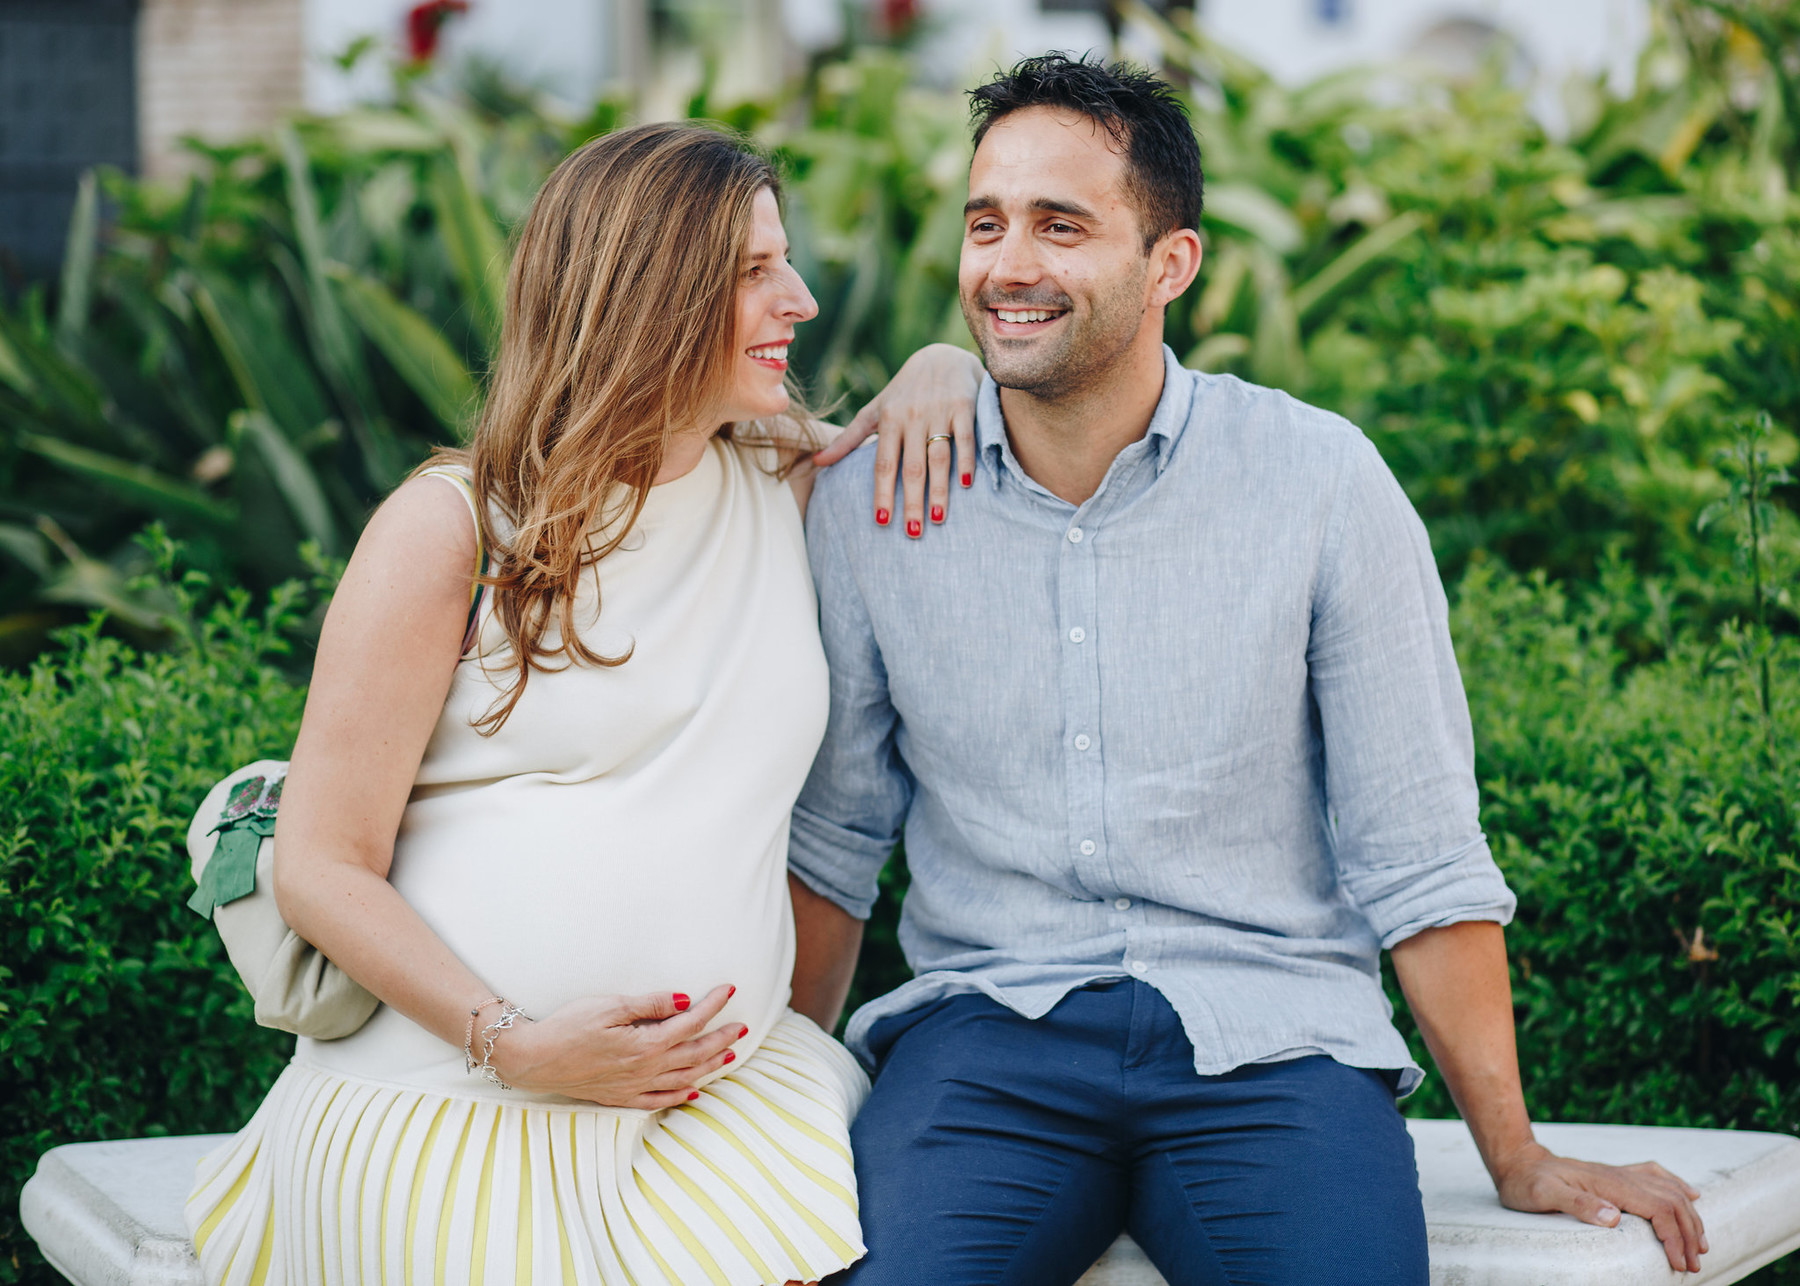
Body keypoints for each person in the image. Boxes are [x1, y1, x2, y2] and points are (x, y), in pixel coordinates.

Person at [790, 54, 1710, 1285]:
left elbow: (1421, 853)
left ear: (1171, 263)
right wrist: (773, 1116)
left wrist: (1517, 1150)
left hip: (1274, 1052)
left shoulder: (1322, 484)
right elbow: (833, 848)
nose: (1008, 265)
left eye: (1062, 226)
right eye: (986, 222)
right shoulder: (878, 503)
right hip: (985, 1049)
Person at [184, 121, 980, 1286]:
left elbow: (930, 421)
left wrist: (944, 364)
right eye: (756, 271)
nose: (800, 298)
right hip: (453, 1097)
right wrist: (516, 1044)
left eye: (786, 261)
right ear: (650, 291)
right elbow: (322, 861)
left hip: (718, 1106)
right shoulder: (453, 525)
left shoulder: (790, 483)